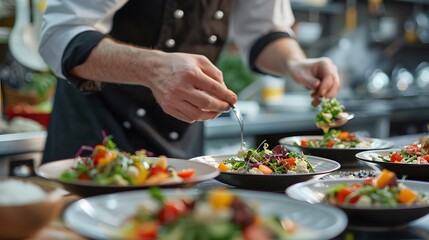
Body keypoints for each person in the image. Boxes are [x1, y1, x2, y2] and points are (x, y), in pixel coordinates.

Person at [39, 0, 340, 162]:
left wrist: (294, 62)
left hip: (184, 146)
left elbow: (263, 30)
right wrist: (154, 68)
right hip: (95, 138)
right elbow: (59, 35)